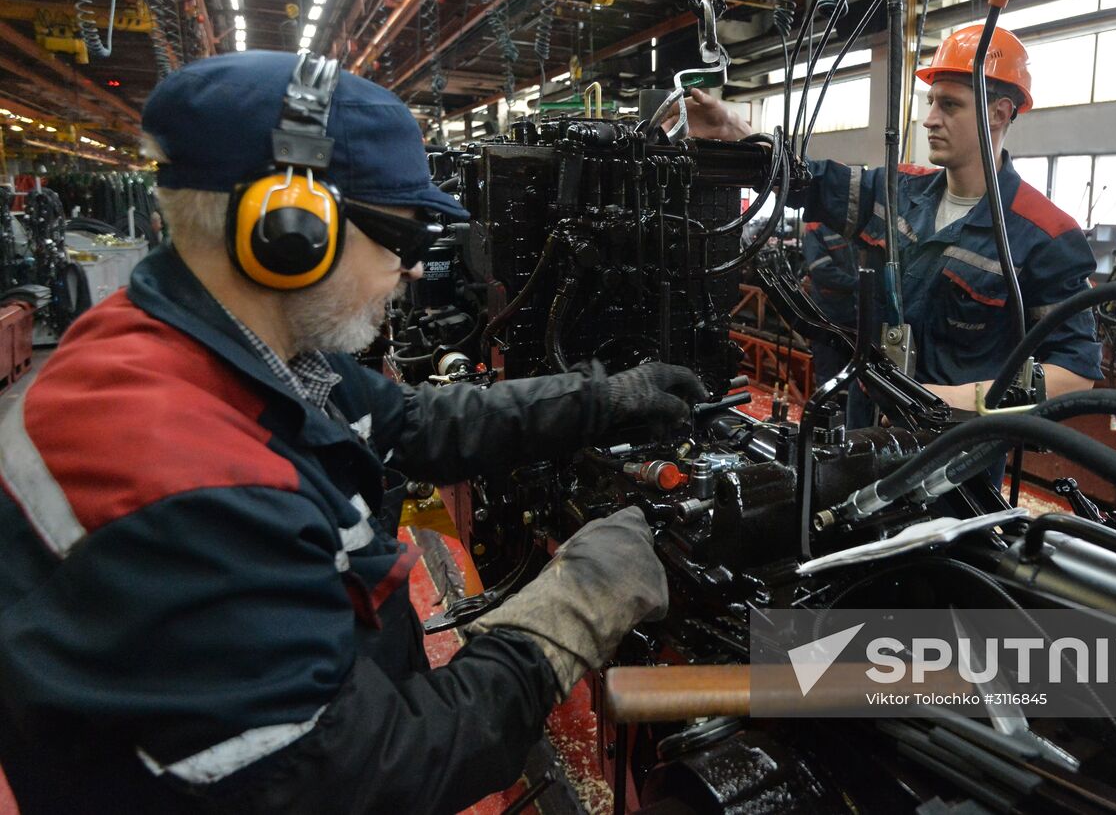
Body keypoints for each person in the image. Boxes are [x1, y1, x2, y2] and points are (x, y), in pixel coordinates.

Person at [0, 51, 706, 813]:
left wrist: (605, 398)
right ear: (290, 230)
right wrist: (577, 605)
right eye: (401, 242)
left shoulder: (225, 344)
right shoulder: (177, 478)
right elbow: (368, 773)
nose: (411, 272)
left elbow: (413, 420)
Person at [669, 24, 1101, 417]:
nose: (931, 119)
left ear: (999, 113)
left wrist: (957, 400)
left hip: (956, 455)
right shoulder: (896, 192)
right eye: (932, 102)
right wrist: (737, 130)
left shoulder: (1046, 234)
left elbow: (1075, 371)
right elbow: (811, 181)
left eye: (950, 105)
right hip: (866, 431)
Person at [802, 221, 859, 385]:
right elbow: (821, 270)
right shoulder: (815, 228)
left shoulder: (854, 223)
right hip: (829, 314)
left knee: (853, 373)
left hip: (856, 312)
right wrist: (859, 283)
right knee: (828, 376)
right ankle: (828, 408)